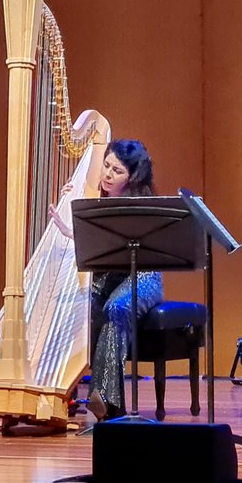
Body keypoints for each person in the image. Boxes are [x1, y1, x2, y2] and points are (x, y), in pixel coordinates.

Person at [48, 138, 162, 421]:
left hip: (142, 274)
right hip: (107, 274)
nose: (108, 174)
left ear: (132, 177)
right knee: (73, 306)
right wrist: (70, 211)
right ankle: (59, 394)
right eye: (106, 166)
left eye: (117, 171)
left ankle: (107, 402)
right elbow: (94, 249)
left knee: (117, 308)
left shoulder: (140, 205)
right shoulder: (91, 198)